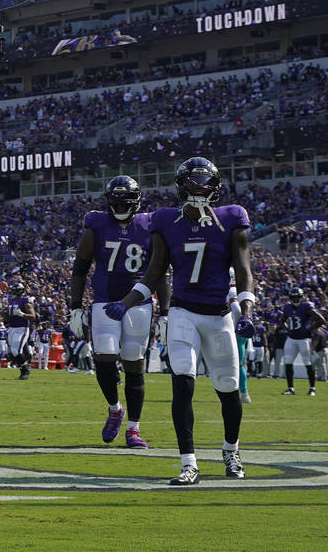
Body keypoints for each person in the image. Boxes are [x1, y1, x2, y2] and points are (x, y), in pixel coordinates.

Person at [107, 157, 255, 486]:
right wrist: (126, 303)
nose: (200, 190)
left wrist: (246, 311)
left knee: (229, 390)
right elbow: (154, 273)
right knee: (182, 385)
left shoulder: (232, 218)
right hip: (183, 312)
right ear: (181, 187)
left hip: (218, 316)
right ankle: (189, 462)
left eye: (206, 184)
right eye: (193, 183)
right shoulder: (165, 221)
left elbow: (244, 270)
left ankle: (231, 450)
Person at [68, 175, 155, 448]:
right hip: (104, 300)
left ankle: (134, 429)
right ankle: (115, 409)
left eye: (124, 200)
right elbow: (80, 270)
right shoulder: (95, 225)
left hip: (139, 303)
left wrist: (165, 311)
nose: (119, 205)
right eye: (114, 200)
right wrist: (74, 308)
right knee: (103, 358)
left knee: (133, 362)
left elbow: (159, 271)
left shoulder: (150, 225)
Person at [280, 286, 327, 396]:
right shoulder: (287, 307)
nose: (295, 300)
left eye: (297, 297)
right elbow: (282, 320)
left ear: (301, 297)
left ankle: (312, 388)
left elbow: (321, 320)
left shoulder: (306, 306)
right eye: (293, 297)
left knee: (308, 363)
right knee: (288, 363)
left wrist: (309, 329)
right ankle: (290, 388)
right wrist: (288, 329)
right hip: (291, 339)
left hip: (304, 340)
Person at [5, 282, 38, 380]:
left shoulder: (26, 300)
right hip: (11, 328)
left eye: (14, 290)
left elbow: (33, 317)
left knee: (16, 351)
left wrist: (21, 314)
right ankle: (23, 367)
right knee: (12, 352)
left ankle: (25, 370)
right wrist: (2, 311)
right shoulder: (11, 300)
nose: (12, 292)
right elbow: (7, 318)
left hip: (21, 328)